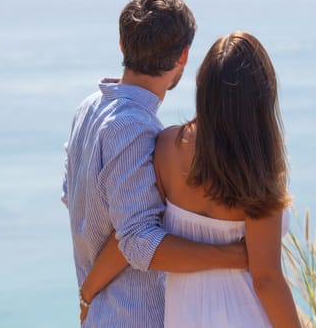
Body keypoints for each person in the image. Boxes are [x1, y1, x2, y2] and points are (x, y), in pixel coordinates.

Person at [80, 31, 302, 327]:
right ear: (262, 96)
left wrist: (88, 292)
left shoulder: (168, 147)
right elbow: (266, 280)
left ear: (204, 87)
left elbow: (132, 236)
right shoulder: (257, 170)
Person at [61, 0, 247, 328]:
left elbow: (75, 202)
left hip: (101, 315)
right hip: (134, 317)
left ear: (122, 43)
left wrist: (88, 290)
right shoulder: (137, 129)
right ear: (184, 56)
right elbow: (138, 241)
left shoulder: (88, 109)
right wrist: (234, 256)